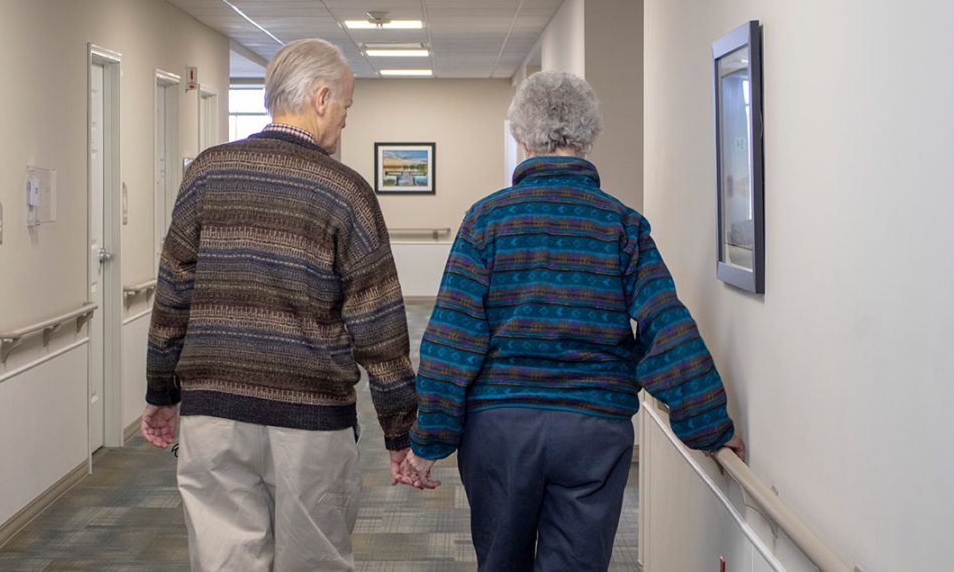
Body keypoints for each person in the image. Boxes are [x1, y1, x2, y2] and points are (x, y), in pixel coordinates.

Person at [399, 71, 745, 571]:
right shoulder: (621, 224)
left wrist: (429, 439)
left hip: (501, 428)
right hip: (593, 426)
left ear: (521, 136)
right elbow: (665, 326)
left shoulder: (486, 220)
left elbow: (452, 340)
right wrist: (711, 424)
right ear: (587, 137)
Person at [142, 38, 417, 571]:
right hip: (310, 420)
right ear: (320, 98)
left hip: (213, 411)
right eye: (345, 106)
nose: (344, 120)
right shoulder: (345, 189)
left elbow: (172, 292)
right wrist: (400, 429)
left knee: (223, 561)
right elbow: (379, 323)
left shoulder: (206, 172)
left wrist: (160, 390)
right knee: (313, 561)